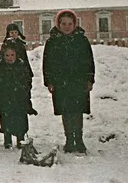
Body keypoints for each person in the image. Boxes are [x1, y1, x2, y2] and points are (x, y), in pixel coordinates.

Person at [42, 9, 95, 154]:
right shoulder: (53, 41)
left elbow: (89, 61)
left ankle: (79, 139)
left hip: (78, 81)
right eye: (64, 23)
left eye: (70, 24)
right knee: (66, 111)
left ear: (75, 24)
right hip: (61, 82)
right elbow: (47, 63)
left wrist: (89, 79)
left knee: (77, 111)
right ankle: (69, 140)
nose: (67, 26)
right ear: (58, 24)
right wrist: (49, 81)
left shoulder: (81, 40)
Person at [0, 40, 38, 149]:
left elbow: (27, 83)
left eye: (12, 55)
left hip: (19, 99)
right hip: (4, 99)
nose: (10, 58)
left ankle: (20, 139)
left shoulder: (21, 68)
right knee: (6, 120)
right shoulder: (0, 69)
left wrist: (24, 90)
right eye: (7, 55)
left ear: (16, 56)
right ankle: (7, 140)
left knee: (20, 120)